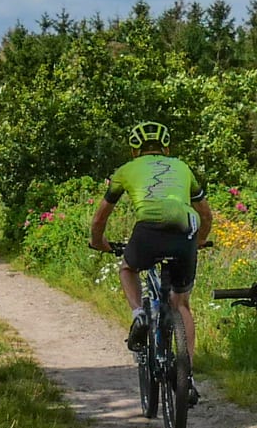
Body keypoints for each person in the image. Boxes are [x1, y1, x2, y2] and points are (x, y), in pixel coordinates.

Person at [90, 120, 211, 363]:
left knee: (127, 268)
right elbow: (205, 214)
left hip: (148, 229)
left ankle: (139, 315)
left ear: (134, 150)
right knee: (182, 304)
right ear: (166, 148)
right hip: (186, 229)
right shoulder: (182, 167)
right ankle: (186, 372)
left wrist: (98, 242)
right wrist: (198, 241)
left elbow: (100, 217)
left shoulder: (125, 170)